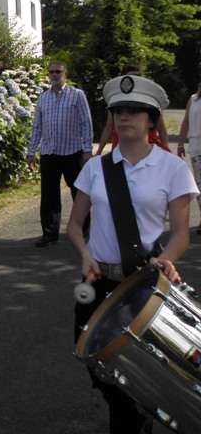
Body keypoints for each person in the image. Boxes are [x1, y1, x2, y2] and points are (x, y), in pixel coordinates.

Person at [67, 74, 197, 434]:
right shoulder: (95, 168)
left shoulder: (172, 169)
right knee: (97, 364)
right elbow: (75, 226)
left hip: (144, 289)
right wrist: (84, 254)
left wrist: (167, 260)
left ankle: (131, 419)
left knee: (144, 373)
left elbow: (182, 233)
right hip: (98, 285)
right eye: (119, 110)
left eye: (135, 111)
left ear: (152, 120)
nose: (125, 117)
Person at [27, 61, 93, 247]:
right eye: (52, 72)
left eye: (58, 72)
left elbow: (86, 123)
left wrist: (87, 150)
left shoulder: (77, 95)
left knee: (78, 191)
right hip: (50, 152)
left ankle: (83, 229)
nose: (55, 75)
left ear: (65, 74)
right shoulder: (43, 98)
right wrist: (32, 151)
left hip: (72, 151)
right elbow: (37, 126)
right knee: (49, 195)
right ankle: (49, 233)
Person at [95, 65, 169, 155]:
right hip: (120, 148)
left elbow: (161, 129)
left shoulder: (149, 105)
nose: (123, 117)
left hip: (150, 148)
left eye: (134, 111)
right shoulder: (116, 104)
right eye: (119, 112)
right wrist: (99, 151)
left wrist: (166, 150)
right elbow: (108, 127)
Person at [178, 80, 201, 232]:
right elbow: (185, 122)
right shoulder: (193, 99)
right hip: (196, 147)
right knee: (199, 184)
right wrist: (180, 143)